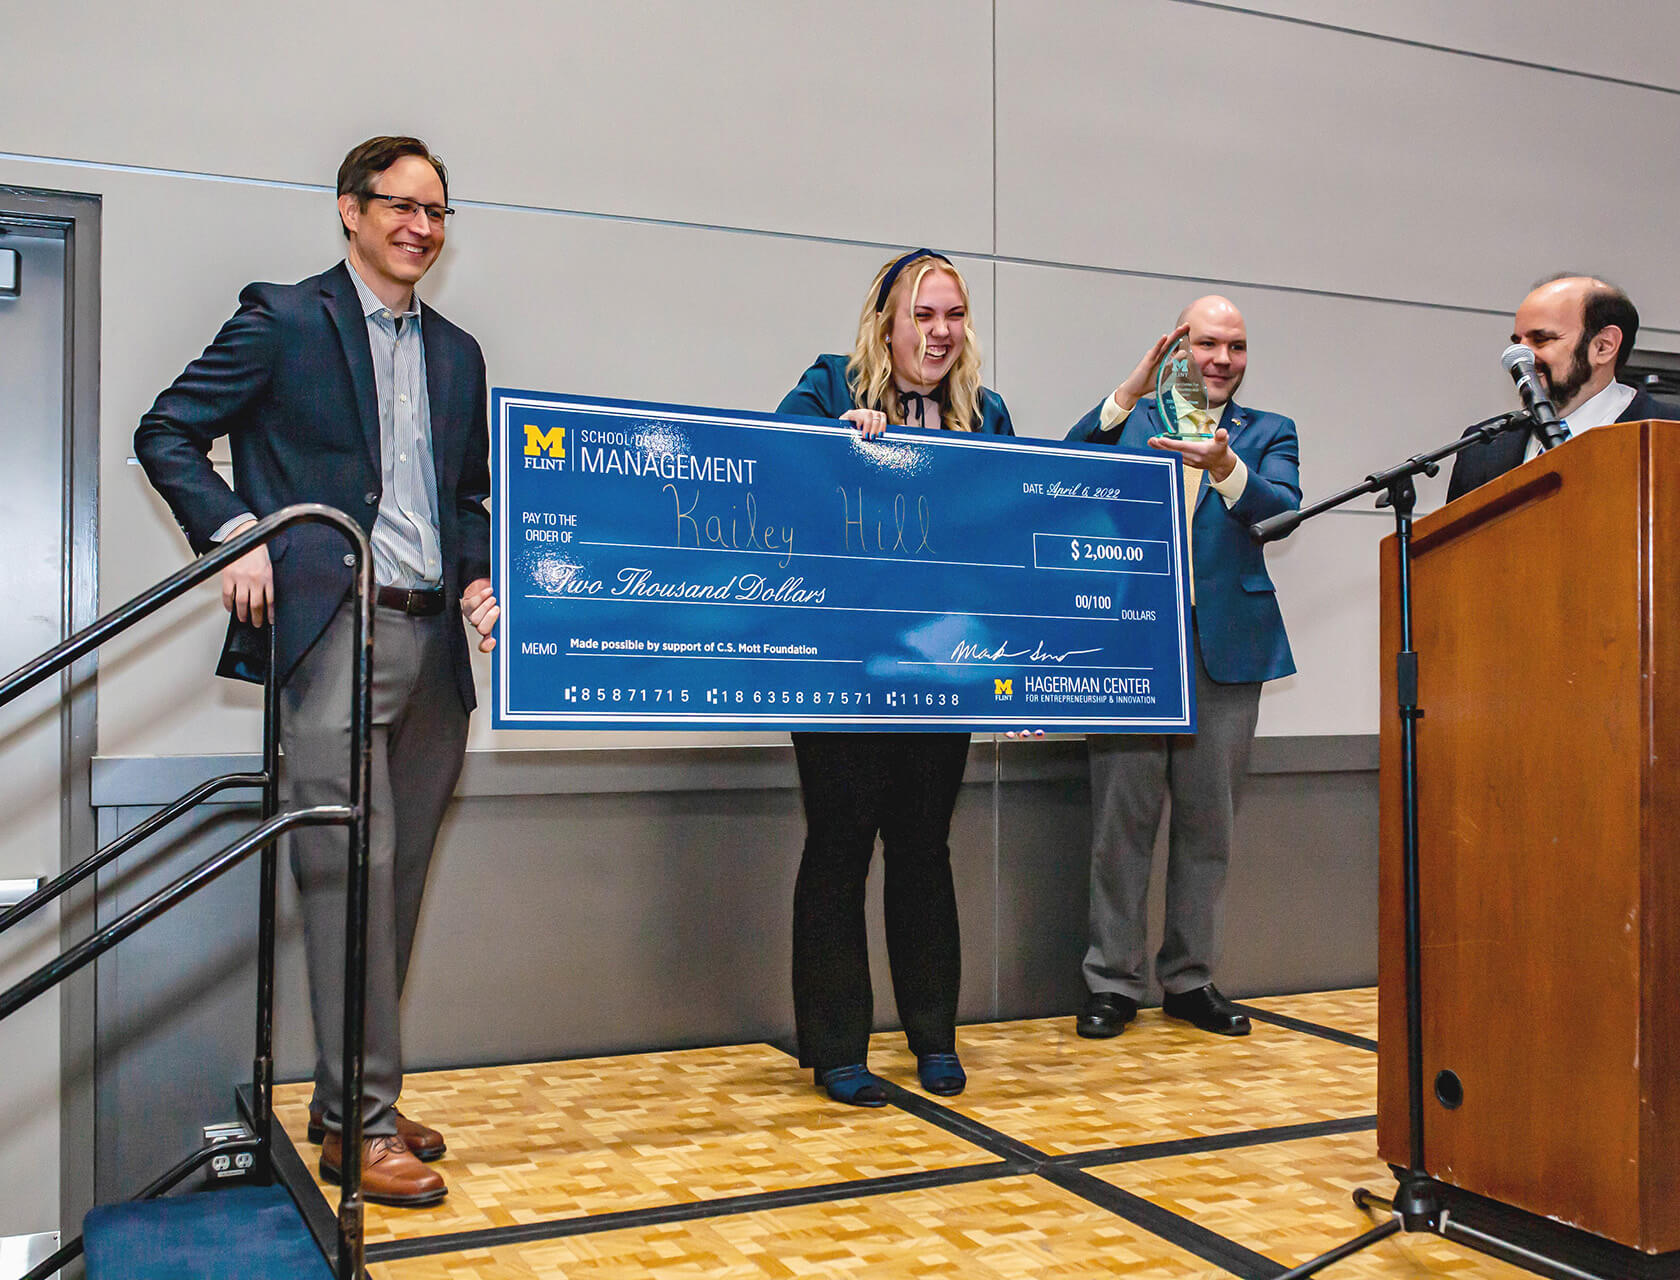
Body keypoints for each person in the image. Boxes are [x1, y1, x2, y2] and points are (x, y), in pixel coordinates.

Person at [134, 136, 498, 1207]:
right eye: (400, 205)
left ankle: (351, 1101)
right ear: (350, 210)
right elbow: (167, 431)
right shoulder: (286, 320)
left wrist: (478, 579)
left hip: (435, 645)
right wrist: (237, 528)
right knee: (352, 879)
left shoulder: (459, 352)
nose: (420, 227)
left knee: (399, 878)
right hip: (334, 629)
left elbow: (467, 495)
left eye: (437, 211)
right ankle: (362, 1126)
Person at [777, 249, 1013, 1105]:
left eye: (954, 316)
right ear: (887, 322)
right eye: (925, 315)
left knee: (924, 848)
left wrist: (1009, 676)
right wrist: (844, 444)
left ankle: (934, 1037)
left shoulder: (984, 414)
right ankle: (838, 1047)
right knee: (839, 847)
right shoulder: (826, 385)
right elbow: (773, 473)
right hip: (838, 667)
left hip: (937, 667)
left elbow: (1011, 538)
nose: (942, 332)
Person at [1065, 296, 1298, 1040]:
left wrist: (1228, 467)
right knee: (1121, 825)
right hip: (1133, 649)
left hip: (1227, 655)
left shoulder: (1269, 433)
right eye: (1206, 344)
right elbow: (1066, 468)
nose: (1222, 360)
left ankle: (1191, 980)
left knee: (1209, 828)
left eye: (1236, 347)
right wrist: (1126, 393)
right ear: (1177, 348)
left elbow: (1282, 514)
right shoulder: (1134, 421)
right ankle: (1112, 982)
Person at [1448, 274, 1680, 500]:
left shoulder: (1671, 435)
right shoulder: (1482, 447)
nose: (1521, 357)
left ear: (1603, 347)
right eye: (1517, 342)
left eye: (1542, 339)